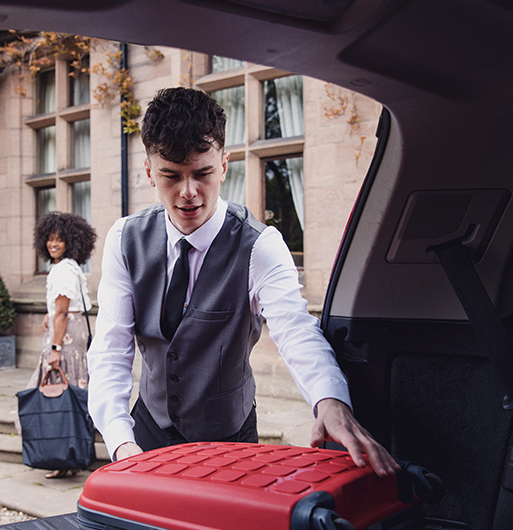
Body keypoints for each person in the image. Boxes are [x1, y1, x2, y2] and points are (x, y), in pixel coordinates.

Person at [87, 87, 398, 476]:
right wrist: (120, 441)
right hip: (147, 429)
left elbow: (295, 329)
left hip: (229, 436)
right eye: (171, 175)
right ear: (150, 171)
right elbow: (111, 348)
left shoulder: (260, 245)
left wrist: (330, 400)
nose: (188, 193)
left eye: (202, 173)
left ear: (224, 165)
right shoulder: (123, 238)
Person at [27, 211, 97, 479]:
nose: (53, 244)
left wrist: (55, 349)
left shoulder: (62, 270)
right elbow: (65, 308)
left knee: (58, 393)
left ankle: (65, 455)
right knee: (71, 394)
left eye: (59, 240)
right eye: (50, 239)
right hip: (73, 332)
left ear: (71, 242)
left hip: (65, 338)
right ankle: (68, 457)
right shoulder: (71, 268)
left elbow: (63, 313)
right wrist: (51, 314)